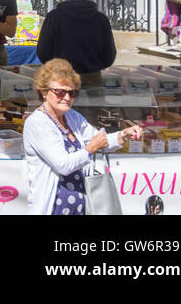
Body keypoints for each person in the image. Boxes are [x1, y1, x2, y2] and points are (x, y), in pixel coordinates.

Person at [24, 58, 142, 215]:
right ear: (44, 92)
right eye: (60, 92)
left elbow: (100, 140)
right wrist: (91, 148)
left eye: (71, 93)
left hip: (80, 207)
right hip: (53, 209)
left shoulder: (72, 116)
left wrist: (124, 134)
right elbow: (63, 165)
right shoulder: (38, 123)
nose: (66, 97)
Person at [36, 0, 117, 87]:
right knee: (95, 101)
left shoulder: (54, 17)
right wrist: (95, 66)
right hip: (92, 77)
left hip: (61, 77)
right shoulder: (101, 19)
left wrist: (56, 67)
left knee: (63, 101)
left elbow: (43, 51)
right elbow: (109, 55)